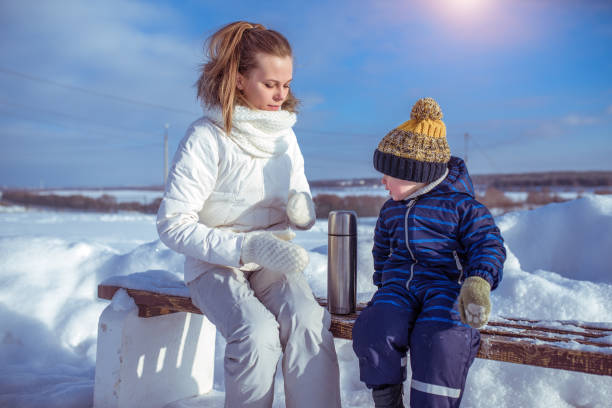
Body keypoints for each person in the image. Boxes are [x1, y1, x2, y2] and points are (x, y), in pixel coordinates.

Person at [156, 21, 341, 408]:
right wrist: (245, 246)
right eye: (270, 83)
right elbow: (173, 224)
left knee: (309, 322)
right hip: (214, 263)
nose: (281, 94)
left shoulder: (284, 135)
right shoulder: (206, 137)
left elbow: (299, 190)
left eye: (287, 84)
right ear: (240, 79)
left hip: (273, 256)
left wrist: (301, 208)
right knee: (256, 333)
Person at [352, 97, 506, 408]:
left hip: (446, 289)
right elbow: (381, 249)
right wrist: (383, 280)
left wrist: (478, 282)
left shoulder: (461, 207)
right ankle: (387, 400)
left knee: (440, 339)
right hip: (399, 289)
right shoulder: (391, 211)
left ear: (415, 175)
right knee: (373, 326)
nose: (382, 181)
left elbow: (487, 243)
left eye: (389, 175)